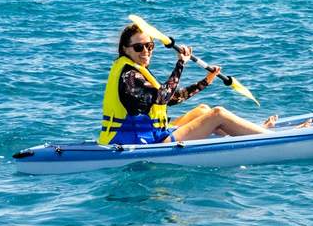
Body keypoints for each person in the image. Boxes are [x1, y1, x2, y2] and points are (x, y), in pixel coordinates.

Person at [99, 23, 275, 146]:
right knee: (218, 114)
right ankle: (273, 138)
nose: (146, 51)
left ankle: (248, 133)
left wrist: (206, 81)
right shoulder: (129, 76)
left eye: (150, 46)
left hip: (153, 135)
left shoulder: (136, 70)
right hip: (137, 142)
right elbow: (163, 97)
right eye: (139, 47)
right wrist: (180, 63)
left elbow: (172, 98)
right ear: (125, 49)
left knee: (203, 110)